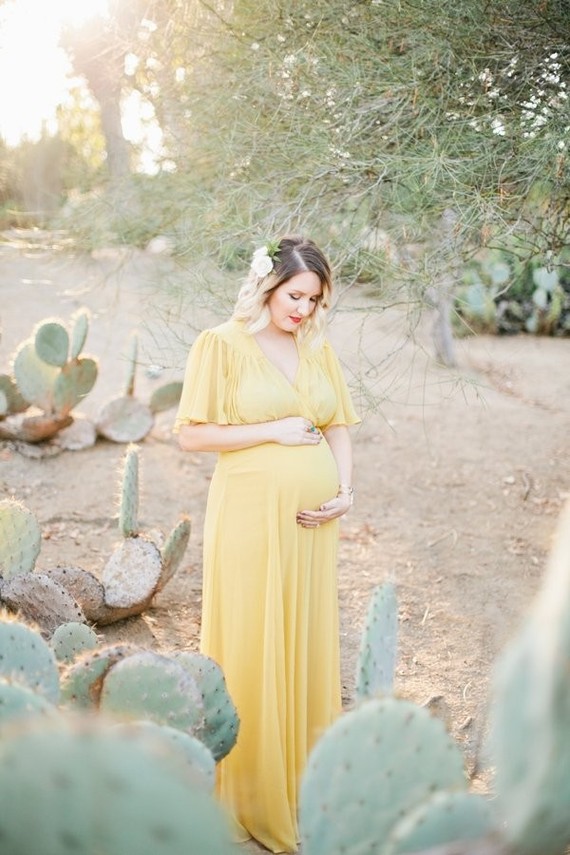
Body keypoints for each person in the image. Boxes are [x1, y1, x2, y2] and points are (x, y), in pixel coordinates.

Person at [174, 234, 360, 853]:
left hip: (315, 524)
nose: (303, 310)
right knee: (256, 636)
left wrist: (347, 490)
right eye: (294, 296)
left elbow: (338, 425)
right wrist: (273, 431)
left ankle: (304, 783)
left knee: (304, 637)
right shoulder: (221, 345)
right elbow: (192, 437)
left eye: (313, 299)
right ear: (267, 287)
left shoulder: (317, 347)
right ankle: (253, 792)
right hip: (251, 516)